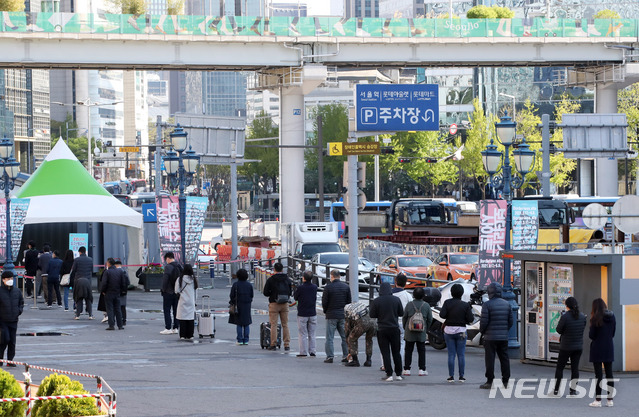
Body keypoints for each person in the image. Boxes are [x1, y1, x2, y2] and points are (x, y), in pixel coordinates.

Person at [479, 282, 513, 389]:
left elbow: (484, 322)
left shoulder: (487, 305)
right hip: (503, 336)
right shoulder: (507, 304)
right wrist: (504, 330)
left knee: (490, 359)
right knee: (504, 358)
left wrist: (483, 332)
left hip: (490, 337)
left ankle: (489, 381)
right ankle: (506, 380)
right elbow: (510, 321)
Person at [440, 283, 474, 382]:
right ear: (462, 293)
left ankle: (451, 376)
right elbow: (471, 319)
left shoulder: (447, 303)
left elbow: (442, 315)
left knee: (451, 354)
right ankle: (461, 376)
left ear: (451, 293)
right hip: (461, 331)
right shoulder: (465, 305)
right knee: (461, 354)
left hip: (449, 331)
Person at [370, 282, 404, 381]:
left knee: (385, 352)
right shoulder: (396, 300)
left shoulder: (377, 301)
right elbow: (401, 313)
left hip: (382, 329)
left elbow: (372, 315)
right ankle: (398, 374)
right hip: (394, 328)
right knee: (396, 352)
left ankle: (389, 374)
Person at [553, 297, 586, 396]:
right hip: (578, 346)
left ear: (567, 306)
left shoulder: (565, 317)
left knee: (560, 368)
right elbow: (582, 328)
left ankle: (556, 389)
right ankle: (573, 390)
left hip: (566, 346)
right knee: (575, 368)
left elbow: (558, 330)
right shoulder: (582, 316)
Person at [588, 298, 616, 407]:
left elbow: (591, 335)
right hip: (609, 347)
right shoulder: (612, 316)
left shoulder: (595, 318)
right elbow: (613, 332)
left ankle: (598, 400)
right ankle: (610, 400)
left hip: (597, 348)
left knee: (598, 375)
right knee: (609, 374)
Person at [321, 269, 351, 363]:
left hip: (331, 314)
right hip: (342, 315)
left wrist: (326, 311)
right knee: (345, 336)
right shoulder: (346, 287)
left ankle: (330, 356)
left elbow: (324, 302)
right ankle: (346, 355)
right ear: (339, 276)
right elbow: (348, 302)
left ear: (332, 276)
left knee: (330, 337)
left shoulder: (328, 288)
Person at [402, 287, 432, 376]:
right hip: (421, 331)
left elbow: (404, 317)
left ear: (413, 295)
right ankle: (421, 369)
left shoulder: (409, 304)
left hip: (410, 331)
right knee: (421, 350)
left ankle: (407, 369)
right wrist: (426, 328)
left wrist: (405, 327)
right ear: (423, 296)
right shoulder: (426, 305)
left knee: (408, 350)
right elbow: (430, 319)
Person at [262, 262, 292, 351]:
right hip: (285, 304)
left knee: (273, 325)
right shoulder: (287, 279)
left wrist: (272, 294)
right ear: (282, 269)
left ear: (274, 269)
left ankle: (273, 343)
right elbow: (290, 292)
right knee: (285, 324)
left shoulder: (271, 279)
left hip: (274, 304)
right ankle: (287, 344)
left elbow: (265, 293)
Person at [0, 271, 24, 366]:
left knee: (12, 341)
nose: (10, 280)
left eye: (11, 278)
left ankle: (10, 361)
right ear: (3, 280)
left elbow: (21, 303)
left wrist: (19, 311)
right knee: (4, 340)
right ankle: (1, 359)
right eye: (8, 279)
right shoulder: (0, 291)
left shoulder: (17, 291)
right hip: (2, 321)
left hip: (14, 320)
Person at [344, 301, 376, 367]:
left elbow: (348, 326)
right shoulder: (360, 305)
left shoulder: (346, 310)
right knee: (369, 340)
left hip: (363, 323)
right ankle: (368, 360)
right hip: (373, 322)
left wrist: (347, 336)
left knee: (351, 339)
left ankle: (355, 360)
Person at [294, 270, 318, 357]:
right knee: (312, 333)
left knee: (303, 333)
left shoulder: (300, 288)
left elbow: (295, 297)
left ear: (303, 278)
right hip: (312, 312)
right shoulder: (314, 287)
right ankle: (312, 351)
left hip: (302, 313)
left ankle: (303, 352)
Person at [100, 258, 126, 330]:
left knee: (110, 309)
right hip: (117, 292)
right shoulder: (119, 272)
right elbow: (123, 282)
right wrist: (122, 291)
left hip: (109, 292)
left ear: (108, 263)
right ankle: (120, 325)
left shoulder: (107, 272)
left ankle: (111, 325)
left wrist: (103, 291)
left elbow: (104, 283)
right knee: (118, 309)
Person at [229, 268, 253, 345]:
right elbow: (251, 295)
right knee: (246, 323)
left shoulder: (235, 285)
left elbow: (232, 295)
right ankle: (246, 339)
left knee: (239, 323)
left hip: (238, 305)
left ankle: (239, 339)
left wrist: (232, 302)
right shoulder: (249, 285)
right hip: (247, 305)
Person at [160, 252, 182, 335]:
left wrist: (163, 289)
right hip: (177, 292)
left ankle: (168, 327)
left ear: (168, 258)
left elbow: (165, 280)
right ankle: (176, 328)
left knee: (167, 310)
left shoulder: (168, 267)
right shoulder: (179, 266)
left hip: (168, 291)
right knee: (176, 310)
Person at [176, 264, 199, 340]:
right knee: (190, 318)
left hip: (182, 300)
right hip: (191, 301)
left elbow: (177, 290)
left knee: (182, 319)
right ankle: (190, 335)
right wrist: (195, 300)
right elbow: (196, 292)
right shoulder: (194, 280)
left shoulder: (180, 279)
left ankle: (182, 335)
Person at [71, 246, 94, 320]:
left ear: (80, 252)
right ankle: (90, 315)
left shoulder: (77, 260)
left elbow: (74, 270)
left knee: (79, 298)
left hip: (79, 281)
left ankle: (78, 315)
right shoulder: (90, 259)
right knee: (88, 298)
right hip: (87, 281)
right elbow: (91, 270)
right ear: (85, 251)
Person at [114, 260, 130, 326]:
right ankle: (124, 320)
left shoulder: (115, 272)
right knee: (123, 307)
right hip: (124, 292)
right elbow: (128, 282)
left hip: (117, 291)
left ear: (116, 265)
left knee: (116, 306)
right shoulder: (124, 272)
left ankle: (116, 319)